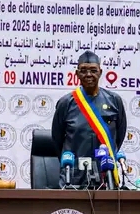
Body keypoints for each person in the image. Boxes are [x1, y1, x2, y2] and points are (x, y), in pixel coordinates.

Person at [51, 51, 126, 188]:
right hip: (73, 175)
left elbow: (119, 136)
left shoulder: (114, 101)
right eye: (83, 70)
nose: (88, 75)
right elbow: (57, 140)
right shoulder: (66, 103)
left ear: (100, 72)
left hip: (106, 173)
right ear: (77, 73)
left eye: (93, 70)